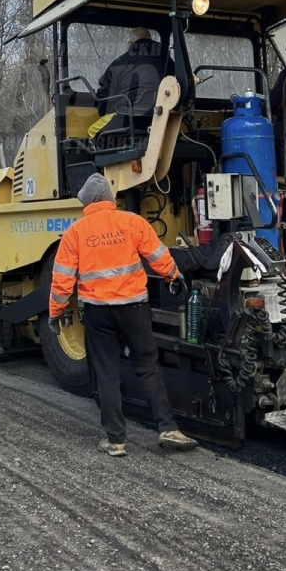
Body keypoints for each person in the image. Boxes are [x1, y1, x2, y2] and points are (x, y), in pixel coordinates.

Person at [49, 173, 198, 457]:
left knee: (106, 371)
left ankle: (116, 441)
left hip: (98, 313)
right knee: (148, 365)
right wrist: (174, 276)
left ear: (87, 202)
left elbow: (62, 281)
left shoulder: (75, 233)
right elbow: (158, 255)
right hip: (134, 308)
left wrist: (55, 313)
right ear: (109, 198)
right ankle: (168, 428)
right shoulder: (132, 222)